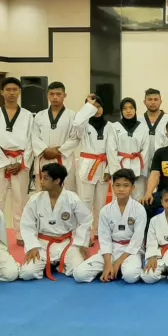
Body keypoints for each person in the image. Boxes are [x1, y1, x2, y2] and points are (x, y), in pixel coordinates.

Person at [18, 163, 92, 281]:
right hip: (42, 243)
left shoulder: (72, 198)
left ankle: (57, 263)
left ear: (57, 180)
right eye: (41, 177)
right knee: (27, 273)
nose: (41, 181)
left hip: (66, 243)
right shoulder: (35, 200)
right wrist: (32, 246)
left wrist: (82, 244)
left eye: (45, 178)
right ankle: (51, 263)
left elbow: (86, 220)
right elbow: (27, 225)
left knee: (80, 272)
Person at [73, 169, 147, 283]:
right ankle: (112, 269)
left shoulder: (139, 209)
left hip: (131, 250)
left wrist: (117, 262)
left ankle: (120, 267)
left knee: (130, 276)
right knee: (79, 274)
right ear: (112, 187)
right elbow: (104, 239)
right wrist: (107, 264)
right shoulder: (105, 210)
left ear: (133, 188)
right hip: (111, 249)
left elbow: (137, 240)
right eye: (117, 185)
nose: (121, 189)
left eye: (126, 185)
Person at [0, 77, 34, 245]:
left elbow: (31, 141)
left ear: (20, 91)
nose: (11, 93)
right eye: (8, 90)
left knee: (21, 200)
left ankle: (21, 234)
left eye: (15, 89)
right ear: (2, 92)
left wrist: (22, 162)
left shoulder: (28, 116)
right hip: (0, 162)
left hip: (20, 162)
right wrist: (4, 163)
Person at [31, 82, 86, 192]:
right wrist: (44, 150)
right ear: (47, 95)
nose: (55, 97)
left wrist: (60, 150)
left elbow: (75, 137)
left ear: (65, 95)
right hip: (44, 157)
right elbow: (34, 136)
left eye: (58, 94)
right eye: (52, 94)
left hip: (63, 159)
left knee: (66, 191)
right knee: (43, 192)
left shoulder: (73, 116)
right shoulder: (39, 115)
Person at [73, 94, 108, 241]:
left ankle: (99, 232)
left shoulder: (110, 126)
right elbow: (76, 122)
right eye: (94, 107)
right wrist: (88, 106)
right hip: (87, 165)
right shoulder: (83, 125)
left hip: (103, 165)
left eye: (99, 106)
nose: (97, 109)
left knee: (101, 202)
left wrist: (109, 170)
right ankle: (85, 234)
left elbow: (112, 149)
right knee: (85, 201)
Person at [107, 98, 150, 200]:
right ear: (121, 111)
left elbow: (146, 150)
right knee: (120, 198)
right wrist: (117, 172)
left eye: (131, 108)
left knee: (138, 197)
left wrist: (140, 170)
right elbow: (111, 149)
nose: (128, 111)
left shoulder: (143, 127)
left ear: (135, 109)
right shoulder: (114, 127)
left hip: (138, 168)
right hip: (120, 165)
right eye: (125, 108)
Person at [139, 88, 167, 158]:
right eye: (150, 99)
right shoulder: (138, 120)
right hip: (142, 159)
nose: (153, 102)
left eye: (156, 99)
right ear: (144, 102)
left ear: (160, 101)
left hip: (163, 159)